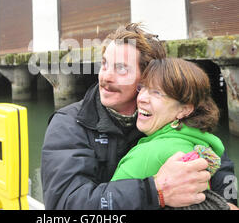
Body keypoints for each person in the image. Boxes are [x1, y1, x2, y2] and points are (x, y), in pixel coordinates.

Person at [41, 23, 237, 210]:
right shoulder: (68, 124)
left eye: (121, 68)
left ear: (148, 77)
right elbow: (64, 204)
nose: (105, 76)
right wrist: (155, 191)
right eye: (104, 64)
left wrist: (226, 202)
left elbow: (221, 166)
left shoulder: (163, 119)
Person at [111, 58, 238, 210]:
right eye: (142, 87)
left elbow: (106, 207)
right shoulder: (207, 144)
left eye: (156, 92)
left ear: (184, 110)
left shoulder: (148, 154)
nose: (142, 98)